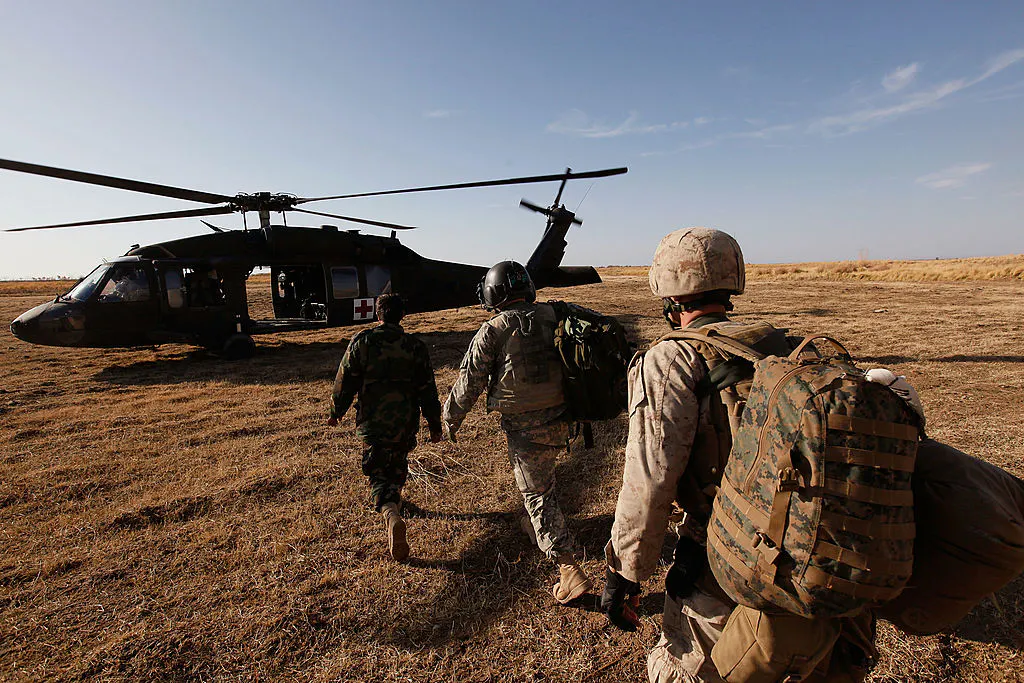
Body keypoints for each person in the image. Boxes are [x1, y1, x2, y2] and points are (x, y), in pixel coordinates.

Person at [600, 228, 877, 683]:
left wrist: (626, 572)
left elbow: (648, 481)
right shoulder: (787, 346)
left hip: (729, 556)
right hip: (818, 548)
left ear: (667, 290)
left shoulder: (672, 358)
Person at [442, 260, 591, 605]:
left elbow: (470, 380)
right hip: (563, 418)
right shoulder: (555, 315)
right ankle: (532, 524)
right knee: (543, 480)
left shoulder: (494, 329)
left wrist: (450, 418)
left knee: (537, 493)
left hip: (526, 427)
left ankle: (568, 569)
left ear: (493, 293)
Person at [328, 293, 443, 562]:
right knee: (397, 464)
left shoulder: (363, 342)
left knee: (378, 471)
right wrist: (434, 425)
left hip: (373, 422)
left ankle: (390, 511)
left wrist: (336, 412)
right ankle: (394, 500)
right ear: (402, 315)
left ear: (377, 314)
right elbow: (428, 390)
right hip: (405, 422)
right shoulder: (415, 346)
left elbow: (345, 381)